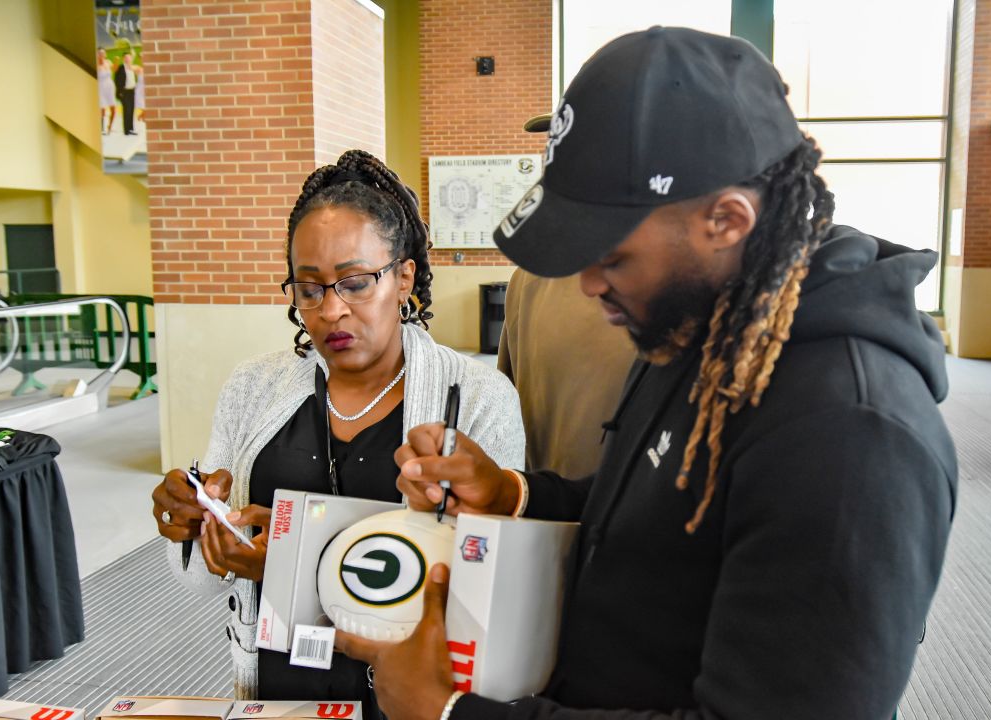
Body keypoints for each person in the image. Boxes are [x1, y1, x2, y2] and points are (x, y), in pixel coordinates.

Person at [335, 28, 958, 720]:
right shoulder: (702, 327)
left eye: (612, 255)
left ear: (725, 220)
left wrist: (450, 715)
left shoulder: (851, 435)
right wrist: (513, 492)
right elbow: (657, 513)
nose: (588, 285)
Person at [150, 149, 525, 716]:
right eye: (308, 288)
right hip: (280, 685)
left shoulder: (474, 398)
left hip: (411, 693)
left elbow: (486, 588)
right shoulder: (255, 388)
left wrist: (288, 566)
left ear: (404, 277)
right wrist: (195, 523)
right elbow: (203, 584)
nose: (330, 310)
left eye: (354, 283)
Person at [496, 265, 635, 477]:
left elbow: (504, 408)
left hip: (540, 494)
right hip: (623, 497)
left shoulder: (526, 278)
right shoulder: (658, 278)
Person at [114, 53, 137, 135]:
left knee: (131, 110)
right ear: (123, 59)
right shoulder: (121, 68)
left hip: (132, 91)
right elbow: (117, 79)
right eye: (126, 58)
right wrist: (120, 91)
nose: (128, 59)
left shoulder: (132, 67)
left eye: (129, 58)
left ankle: (131, 128)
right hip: (125, 92)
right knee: (127, 110)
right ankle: (126, 130)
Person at [96, 48, 116, 135]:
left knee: (113, 109)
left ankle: (109, 127)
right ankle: (101, 128)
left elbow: (114, 69)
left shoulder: (108, 62)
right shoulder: (96, 64)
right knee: (102, 109)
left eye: (103, 53)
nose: (101, 55)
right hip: (101, 88)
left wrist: (115, 62)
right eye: (99, 53)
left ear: (105, 54)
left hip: (110, 87)